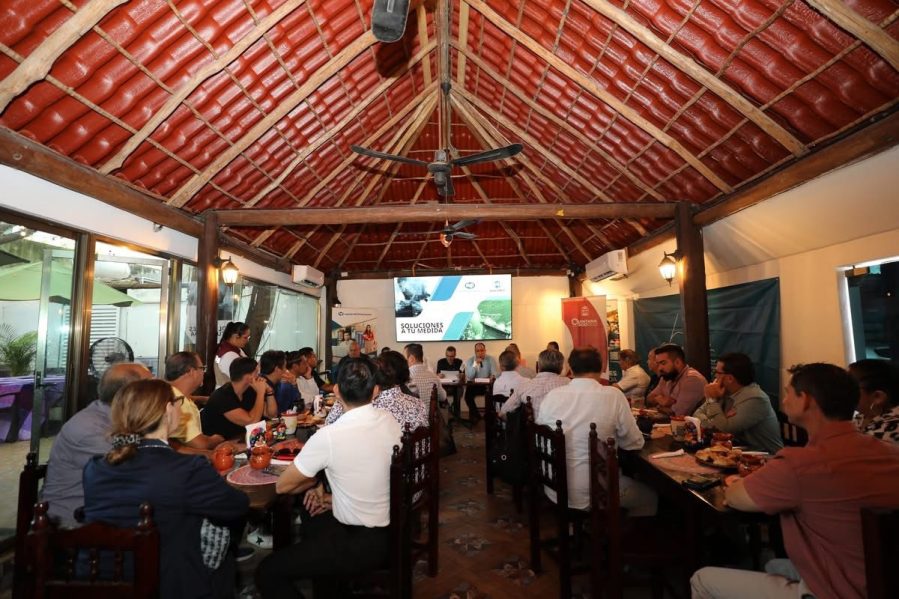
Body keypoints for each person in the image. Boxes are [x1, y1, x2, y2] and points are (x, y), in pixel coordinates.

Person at [691, 363, 899, 599]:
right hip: (883, 578)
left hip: (835, 590)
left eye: (789, 392)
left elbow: (735, 498)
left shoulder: (801, 464)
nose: (785, 399)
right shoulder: (889, 452)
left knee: (702, 578)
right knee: (774, 566)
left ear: (806, 401)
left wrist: (734, 482)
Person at [82, 379, 249, 599]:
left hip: (106, 580)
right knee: (221, 551)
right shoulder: (186, 469)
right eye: (177, 401)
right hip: (171, 585)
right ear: (168, 410)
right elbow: (237, 506)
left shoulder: (95, 468)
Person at [256, 358, 402, 598]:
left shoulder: (330, 436)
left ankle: (326, 574)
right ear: (375, 391)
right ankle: (327, 584)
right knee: (312, 513)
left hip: (359, 542)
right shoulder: (389, 420)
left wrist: (314, 483)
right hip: (390, 526)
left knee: (267, 572)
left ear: (336, 390)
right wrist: (331, 497)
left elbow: (283, 486)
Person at [537, 348, 657, 516]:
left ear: (570, 367)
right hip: (597, 491)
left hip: (554, 486)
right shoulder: (613, 396)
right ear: (602, 368)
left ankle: (584, 528)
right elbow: (634, 443)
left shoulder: (552, 396)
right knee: (650, 498)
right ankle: (616, 536)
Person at [42, 363, 152, 527]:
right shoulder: (91, 429)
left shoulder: (117, 419)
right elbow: (136, 467)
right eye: (152, 386)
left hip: (104, 513)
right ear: (131, 394)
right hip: (74, 529)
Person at [692, 353, 783, 454]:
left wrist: (711, 400)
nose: (715, 376)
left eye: (717, 372)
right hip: (737, 451)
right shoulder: (724, 392)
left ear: (730, 378)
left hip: (766, 457)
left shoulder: (756, 398)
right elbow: (696, 415)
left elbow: (723, 430)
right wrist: (717, 420)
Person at [326, 352, 428, 432]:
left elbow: (329, 425)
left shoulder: (368, 408)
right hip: (419, 457)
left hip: (381, 458)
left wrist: (340, 399)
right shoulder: (419, 403)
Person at [164, 351, 225, 451]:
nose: (203, 373)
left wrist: (201, 399)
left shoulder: (168, 393)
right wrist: (217, 439)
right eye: (202, 368)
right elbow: (201, 444)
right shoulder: (179, 403)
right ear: (191, 371)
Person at [201, 357, 273, 440]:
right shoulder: (222, 396)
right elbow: (251, 421)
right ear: (248, 377)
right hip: (218, 445)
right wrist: (260, 393)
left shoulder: (249, 391)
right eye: (256, 373)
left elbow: (271, 414)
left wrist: (269, 391)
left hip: (240, 438)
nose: (259, 376)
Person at [500, 349, 569, 418]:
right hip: (566, 427)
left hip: (533, 428)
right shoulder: (569, 384)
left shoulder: (525, 386)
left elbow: (503, 412)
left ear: (538, 366)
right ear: (561, 367)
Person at [645, 343, 707, 416]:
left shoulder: (692, 379)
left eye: (663, 363)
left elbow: (677, 414)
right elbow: (648, 400)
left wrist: (658, 406)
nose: (659, 368)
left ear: (677, 362)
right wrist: (660, 400)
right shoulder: (666, 377)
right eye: (658, 364)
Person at [849, 358, 899, 444]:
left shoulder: (892, 429)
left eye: (848, 385)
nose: (841, 390)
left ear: (877, 397)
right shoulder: (861, 417)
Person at [461, 342, 499, 422]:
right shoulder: (470, 360)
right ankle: (477, 415)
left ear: (485, 350)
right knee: (467, 397)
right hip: (474, 384)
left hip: (486, 384)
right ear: (475, 352)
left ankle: (488, 415)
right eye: (478, 351)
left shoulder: (490, 359)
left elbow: (495, 372)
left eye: (482, 350)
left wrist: (493, 376)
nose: (480, 353)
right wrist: (475, 364)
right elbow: (470, 376)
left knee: (492, 395)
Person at [213, 322, 250, 388]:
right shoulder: (229, 355)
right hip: (227, 392)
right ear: (235, 336)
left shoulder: (234, 348)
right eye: (245, 337)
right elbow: (241, 377)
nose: (247, 341)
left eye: (248, 337)